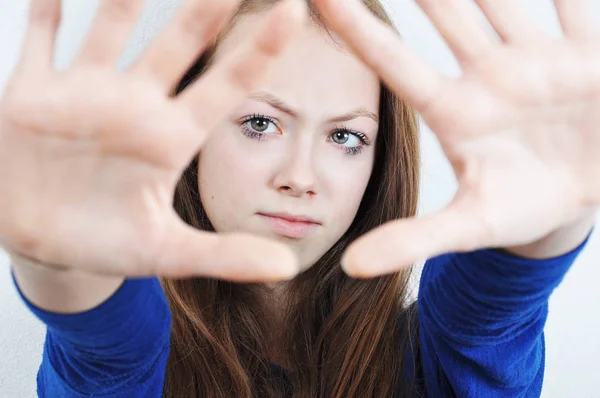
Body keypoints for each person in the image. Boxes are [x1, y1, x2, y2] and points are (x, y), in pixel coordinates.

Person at [1, 0, 598, 396]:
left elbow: (487, 313)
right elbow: (108, 345)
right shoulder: (137, 362)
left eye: (345, 136)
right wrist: (61, 261)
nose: (301, 175)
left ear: (379, 159)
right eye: (261, 124)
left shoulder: (436, 362)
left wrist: (550, 219)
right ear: (190, 130)